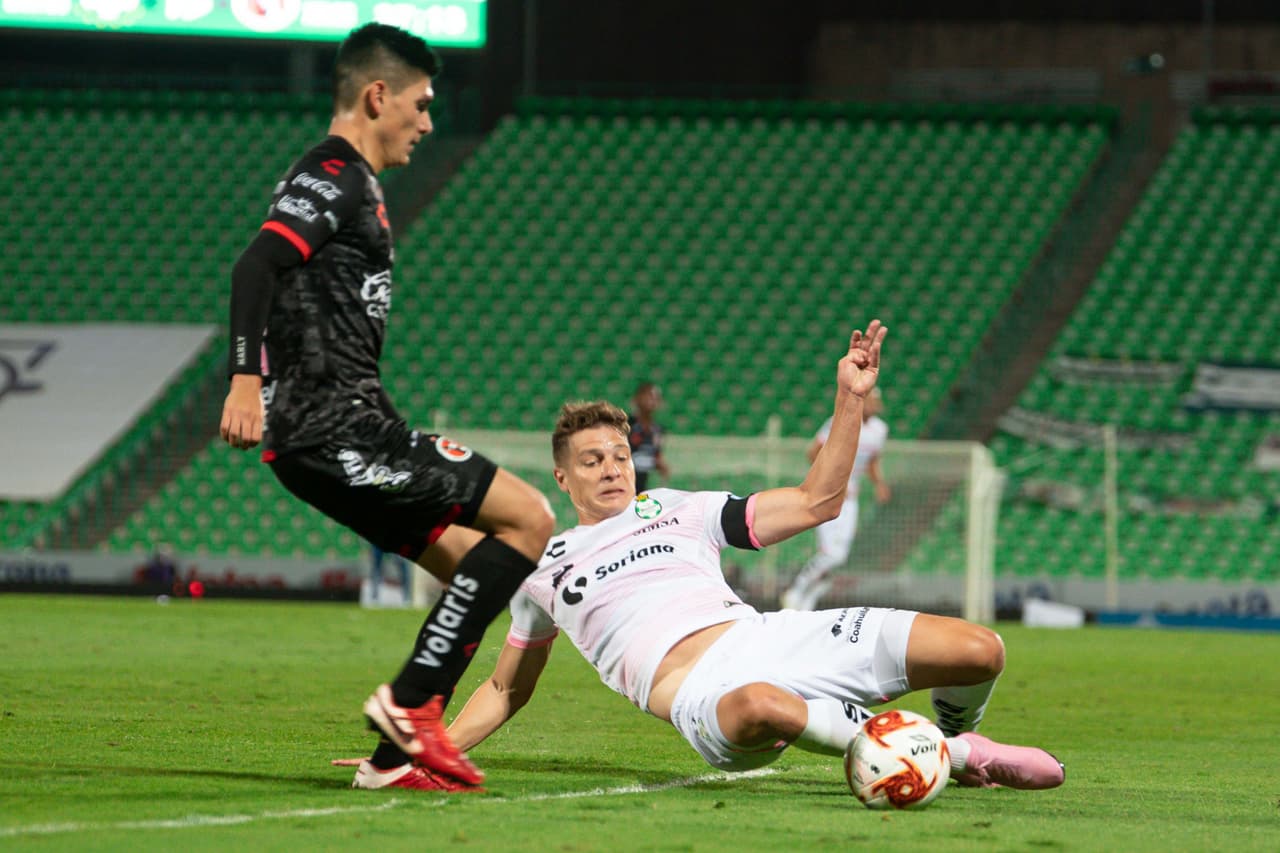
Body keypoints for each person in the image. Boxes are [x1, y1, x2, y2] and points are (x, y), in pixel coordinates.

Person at [436, 321, 1063, 793]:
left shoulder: (681, 506)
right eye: (591, 461)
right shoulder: (542, 563)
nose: (611, 469)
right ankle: (954, 757)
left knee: (979, 651)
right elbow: (503, 686)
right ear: (562, 479)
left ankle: (947, 739)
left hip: (768, 636)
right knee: (760, 704)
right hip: (699, 692)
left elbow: (818, 501)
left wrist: (849, 398)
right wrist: (430, 750)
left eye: (620, 456)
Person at [218, 23, 554, 792]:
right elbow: (255, 264)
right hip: (339, 424)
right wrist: (244, 378)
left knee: (477, 566)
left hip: (329, 431)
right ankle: (410, 705)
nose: (429, 123)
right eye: (422, 103)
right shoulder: (333, 172)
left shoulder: (351, 183)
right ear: (378, 96)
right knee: (531, 518)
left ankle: (391, 760)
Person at [782, 386, 890, 611]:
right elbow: (814, 452)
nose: (875, 404)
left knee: (840, 554)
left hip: (851, 499)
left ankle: (807, 599)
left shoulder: (880, 430)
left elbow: (872, 461)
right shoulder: (841, 421)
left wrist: (879, 484)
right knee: (831, 553)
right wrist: (830, 480)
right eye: (872, 399)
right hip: (829, 494)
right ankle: (797, 590)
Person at [628, 381, 670, 493]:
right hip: (626, 480)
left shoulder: (658, 430)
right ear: (637, 399)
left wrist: (661, 465)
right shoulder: (626, 424)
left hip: (646, 482)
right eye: (648, 396)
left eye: (656, 397)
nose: (652, 400)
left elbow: (656, 455)